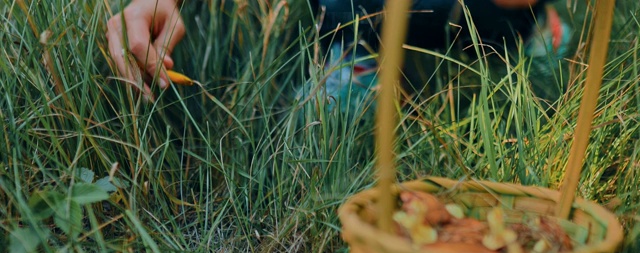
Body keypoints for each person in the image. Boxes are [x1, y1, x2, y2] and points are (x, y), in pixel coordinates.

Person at [106, 0, 569, 101]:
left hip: (484, 13)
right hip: (357, 19)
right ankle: (363, 53)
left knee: (516, 38)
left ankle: (536, 35)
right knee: (324, 120)